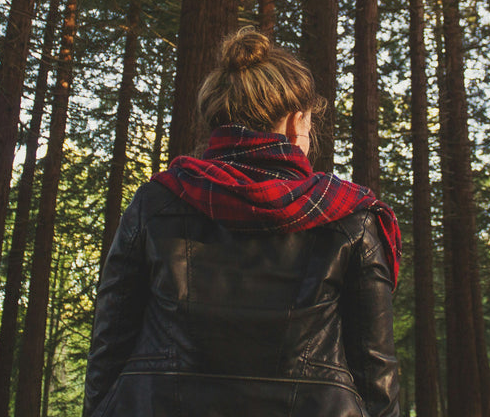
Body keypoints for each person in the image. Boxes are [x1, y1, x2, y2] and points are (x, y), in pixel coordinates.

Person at [83, 27, 401, 417]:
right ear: (294, 122)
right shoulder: (351, 217)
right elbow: (376, 374)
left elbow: (109, 348)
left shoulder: (156, 202)